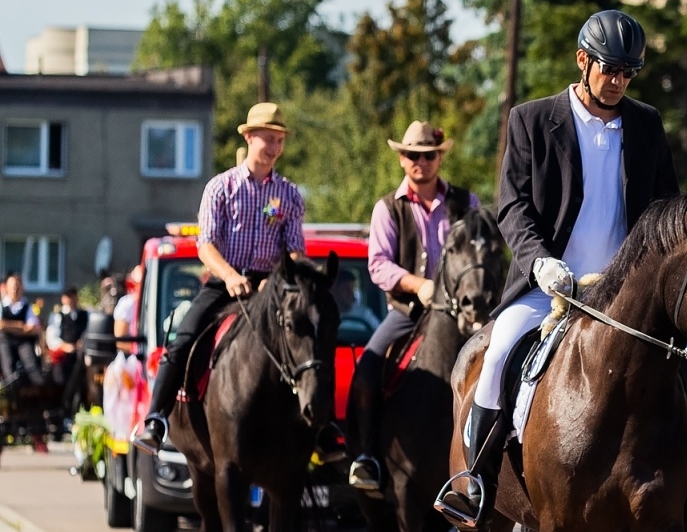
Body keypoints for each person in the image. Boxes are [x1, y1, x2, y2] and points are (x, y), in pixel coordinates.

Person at [436, 9, 687, 532]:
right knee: (500, 349)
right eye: (609, 69)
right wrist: (540, 261)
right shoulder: (531, 119)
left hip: (626, 294)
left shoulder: (646, 124)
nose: (618, 81)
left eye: (627, 72)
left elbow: (663, 209)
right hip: (552, 284)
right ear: (582, 61)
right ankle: (474, 483)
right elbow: (513, 205)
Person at [132, 102, 344, 461]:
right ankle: (156, 419)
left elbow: (293, 249)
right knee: (183, 341)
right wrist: (230, 276)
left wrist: (288, 276)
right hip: (223, 280)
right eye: (268, 139)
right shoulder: (221, 187)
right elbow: (205, 245)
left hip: (272, 285)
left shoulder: (289, 194)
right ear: (248, 137)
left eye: (280, 140)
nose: (275, 147)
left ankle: (323, 428)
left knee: (312, 339)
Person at [347, 121, 477, 492]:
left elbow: (479, 248)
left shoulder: (466, 203)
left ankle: (498, 458)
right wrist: (417, 284)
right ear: (402, 160)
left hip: (463, 314)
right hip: (407, 312)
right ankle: (367, 455)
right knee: (368, 367)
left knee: (501, 364)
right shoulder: (388, 207)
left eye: (429, 155)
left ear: (439, 157)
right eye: (413, 155)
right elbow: (378, 264)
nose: (421, 161)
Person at [0, 274, 44, 387]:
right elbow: (1, 325)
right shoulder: (2, 305)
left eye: (17, 286)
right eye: (13, 287)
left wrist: (8, 326)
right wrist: (21, 326)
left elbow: (32, 329)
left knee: (31, 365)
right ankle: (11, 393)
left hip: (23, 342)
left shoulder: (26, 306)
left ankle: (38, 392)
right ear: (7, 288)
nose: (15, 289)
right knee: (7, 365)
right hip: (5, 341)